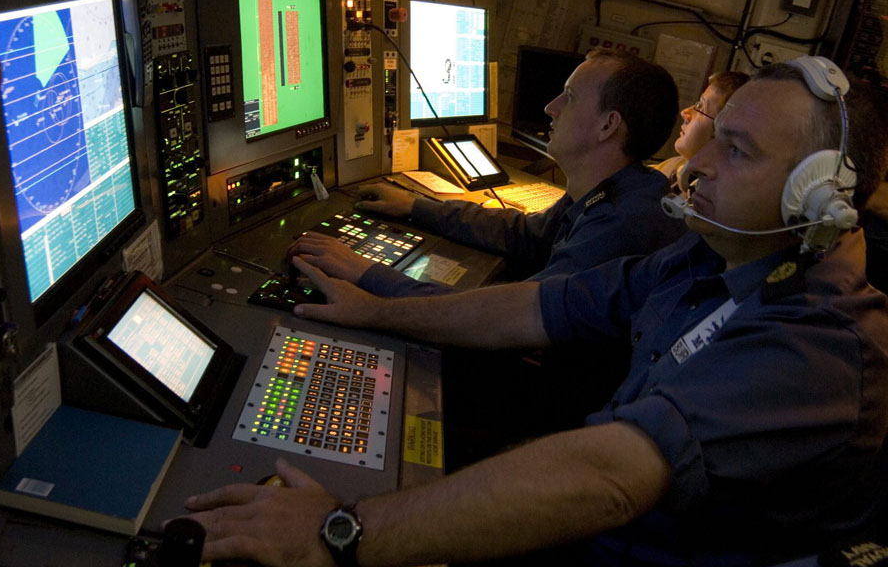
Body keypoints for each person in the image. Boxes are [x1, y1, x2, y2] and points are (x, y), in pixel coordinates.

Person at [178, 59, 888, 566]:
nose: (698, 165)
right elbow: (539, 307)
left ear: (815, 200)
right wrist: (376, 308)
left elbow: (608, 480)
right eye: (717, 134)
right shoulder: (710, 255)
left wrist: (339, 531)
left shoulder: (817, 345)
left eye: (737, 151)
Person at [289, 48, 686, 297]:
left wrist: (368, 274)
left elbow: (504, 317)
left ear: (608, 126)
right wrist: (416, 207)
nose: (551, 107)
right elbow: (524, 234)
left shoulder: (622, 222)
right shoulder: (613, 191)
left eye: (570, 97)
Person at [654, 71, 749, 193]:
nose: (685, 112)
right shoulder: (674, 165)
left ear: (720, 132)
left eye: (700, 106)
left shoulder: (712, 203)